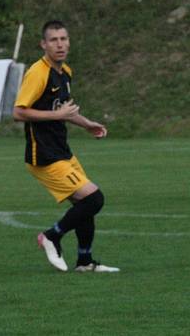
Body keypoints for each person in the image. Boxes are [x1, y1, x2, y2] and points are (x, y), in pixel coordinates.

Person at [13, 20, 119, 273]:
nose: (59, 44)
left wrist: (87, 124)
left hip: (62, 151)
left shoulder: (65, 72)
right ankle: (52, 235)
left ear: (69, 42)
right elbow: (18, 112)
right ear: (43, 44)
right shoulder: (38, 73)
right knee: (94, 198)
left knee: (84, 207)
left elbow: (65, 110)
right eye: (53, 40)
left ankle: (85, 262)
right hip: (44, 156)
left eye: (63, 39)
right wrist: (56, 116)